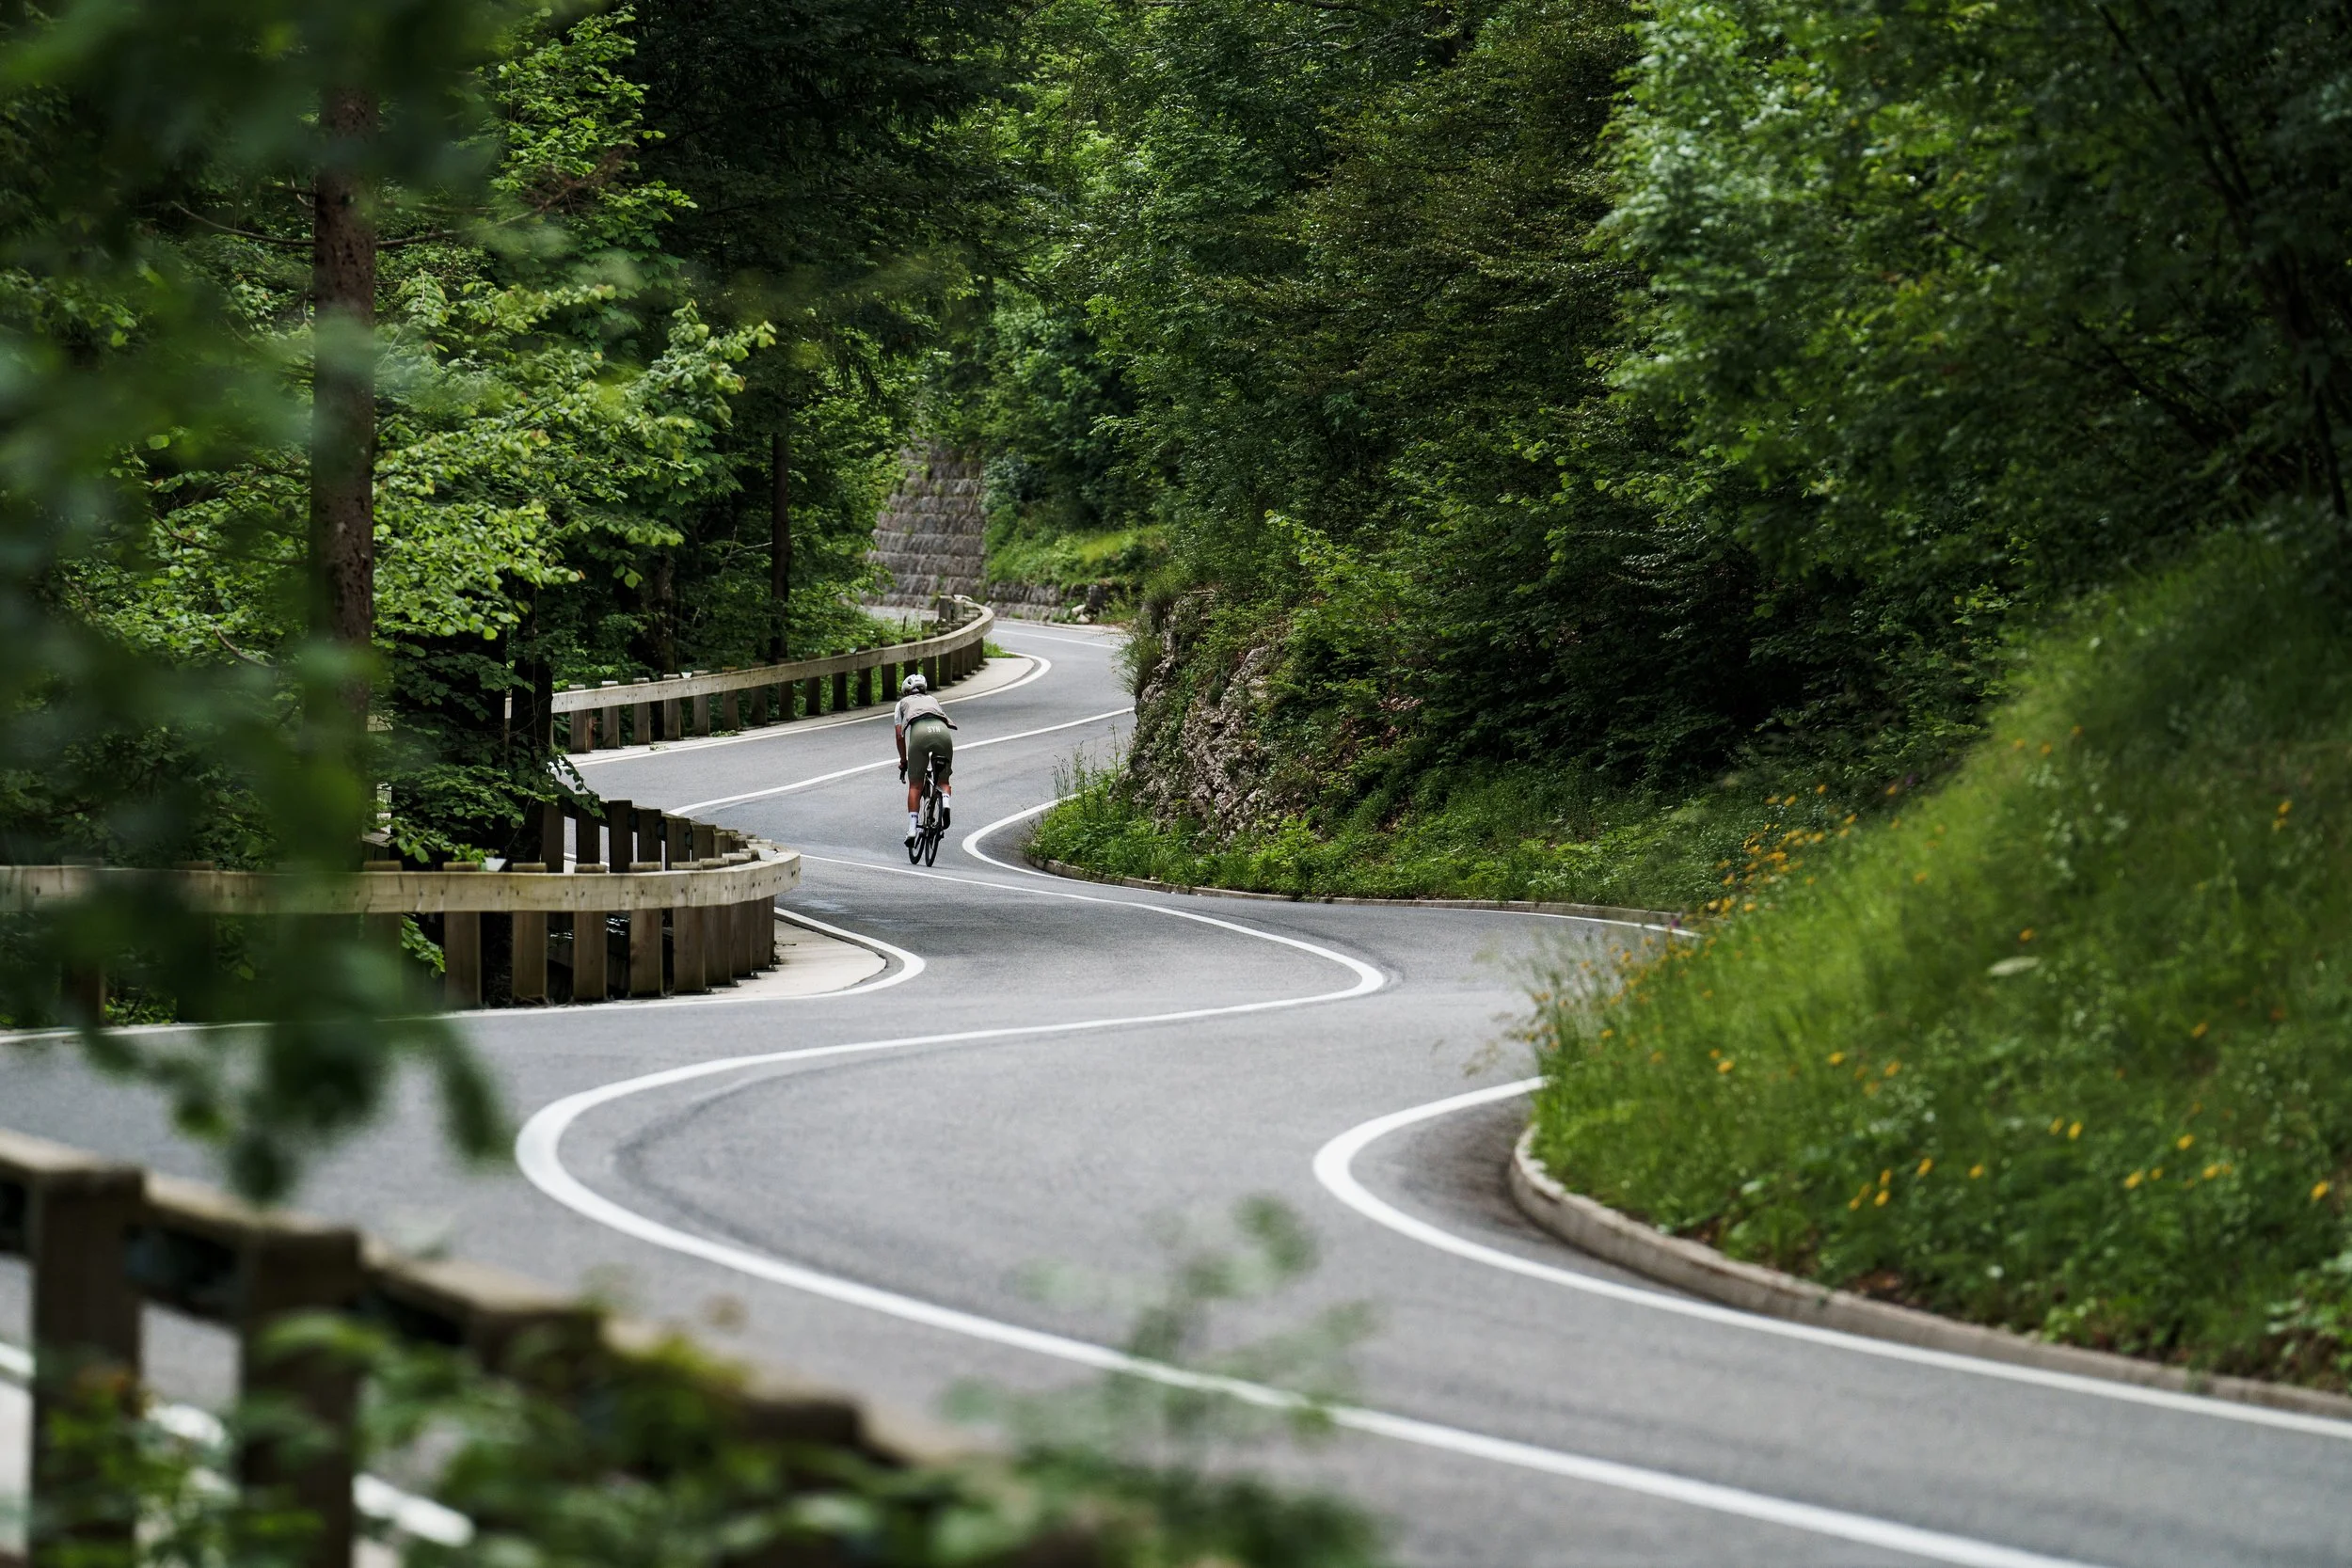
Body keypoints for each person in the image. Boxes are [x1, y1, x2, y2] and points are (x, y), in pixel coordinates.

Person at [894, 672, 955, 846]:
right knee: (943, 779)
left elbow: (899, 736)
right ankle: (946, 801)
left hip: (920, 735)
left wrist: (903, 761)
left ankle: (912, 829)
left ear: (906, 691)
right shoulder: (933, 700)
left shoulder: (901, 704)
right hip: (943, 733)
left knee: (915, 785)